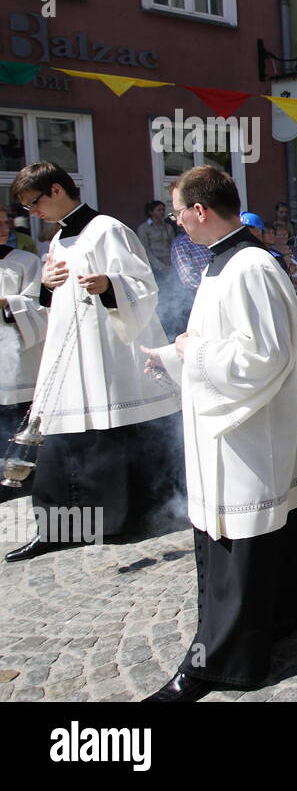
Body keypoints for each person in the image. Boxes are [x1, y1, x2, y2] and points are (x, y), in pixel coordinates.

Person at [142, 166, 297, 702]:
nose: (176, 222)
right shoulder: (226, 263)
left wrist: (191, 354)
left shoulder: (250, 267)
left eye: (178, 212)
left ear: (201, 210)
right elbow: (219, 340)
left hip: (249, 426)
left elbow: (262, 356)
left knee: (245, 532)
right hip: (242, 417)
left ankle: (224, 657)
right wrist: (175, 356)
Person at [5, 162, 181, 562]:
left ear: (55, 191)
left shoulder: (108, 229)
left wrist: (109, 285)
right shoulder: (59, 237)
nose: (31, 213)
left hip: (106, 354)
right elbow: (51, 300)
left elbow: (142, 285)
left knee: (106, 439)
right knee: (60, 442)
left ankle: (124, 522)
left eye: (34, 203)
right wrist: (47, 288)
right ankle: (58, 529)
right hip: (69, 353)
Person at [0, 204, 45, 501]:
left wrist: (8, 303)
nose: (4, 228)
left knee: (16, 425)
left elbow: (41, 307)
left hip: (17, 359)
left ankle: (20, 482)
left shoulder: (26, 261)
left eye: (5, 222)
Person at [136, 200, 176, 281]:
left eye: (163, 210)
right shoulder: (143, 228)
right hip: (154, 266)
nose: (162, 212)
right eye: (159, 210)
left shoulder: (168, 227)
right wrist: (161, 267)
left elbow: (174, 246)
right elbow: (145, 250)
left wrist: (173, 265)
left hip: (170, 264)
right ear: (151, 212)